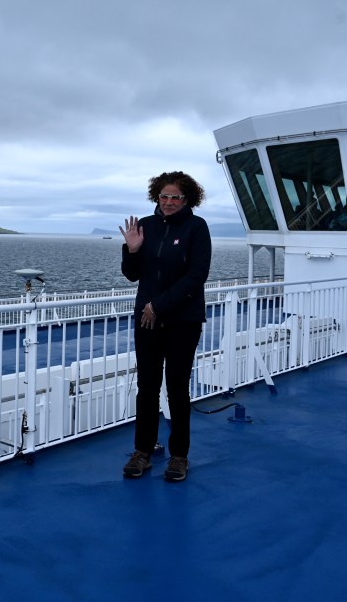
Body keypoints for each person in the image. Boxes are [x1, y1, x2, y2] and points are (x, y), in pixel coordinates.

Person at [118, 171, 211, 482]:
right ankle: (142, 452)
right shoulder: (146, 225)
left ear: (187, 199)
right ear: (156, 196)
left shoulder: (196, 227)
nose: (169, 202)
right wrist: (132, 249)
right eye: (164, 196)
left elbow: (197, 275)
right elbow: (132, 275)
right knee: (147, 387)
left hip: (183, 320)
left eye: (176, 197)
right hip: (147, 320)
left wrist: (159, 305)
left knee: (177, 389)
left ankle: (179, 456)